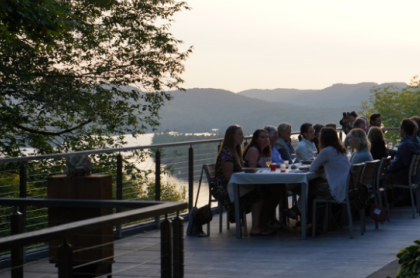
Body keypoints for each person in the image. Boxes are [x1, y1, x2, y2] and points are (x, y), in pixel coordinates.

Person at [214, 125, 271, 235]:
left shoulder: (235, 151)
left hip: (235, 185)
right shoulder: (227, 153)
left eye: (242, 134)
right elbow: (228, 177)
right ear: (232, 136)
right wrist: (246, 179)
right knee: (259, 193)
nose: (243, 137)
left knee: (266, 189)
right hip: (227, 190)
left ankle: (263, 224)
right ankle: (256, 228)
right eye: (240, 134)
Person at [243, 128, 283, 230]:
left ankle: (267, 218)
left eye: (267, 137)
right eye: (262, 137)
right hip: (250, 185)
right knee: (275, 189)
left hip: (260, 182)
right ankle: (265, 219)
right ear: (255, 139)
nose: (266, 140)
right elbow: (253, 170)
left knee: (279, 186)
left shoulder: (264, 151)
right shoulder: (254, 150)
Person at [309, 127, 351, 219]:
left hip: (337, 189)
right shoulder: (340, 150)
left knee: (310, 187)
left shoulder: (327, 150)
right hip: (346, 187)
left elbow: (312, 168)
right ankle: (325, 221)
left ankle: (312, 221)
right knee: (313, 187)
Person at [386, 119, 420, 184]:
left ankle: (380, 194)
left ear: (403, 130)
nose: (399, 130)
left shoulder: (405, 144)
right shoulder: (415, 142)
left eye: (400, 128)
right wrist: (390, 151)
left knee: (380, 176)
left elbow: (396, 166)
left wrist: (384, 169)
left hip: (402, 176)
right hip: (412, 176)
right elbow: (403, 156)